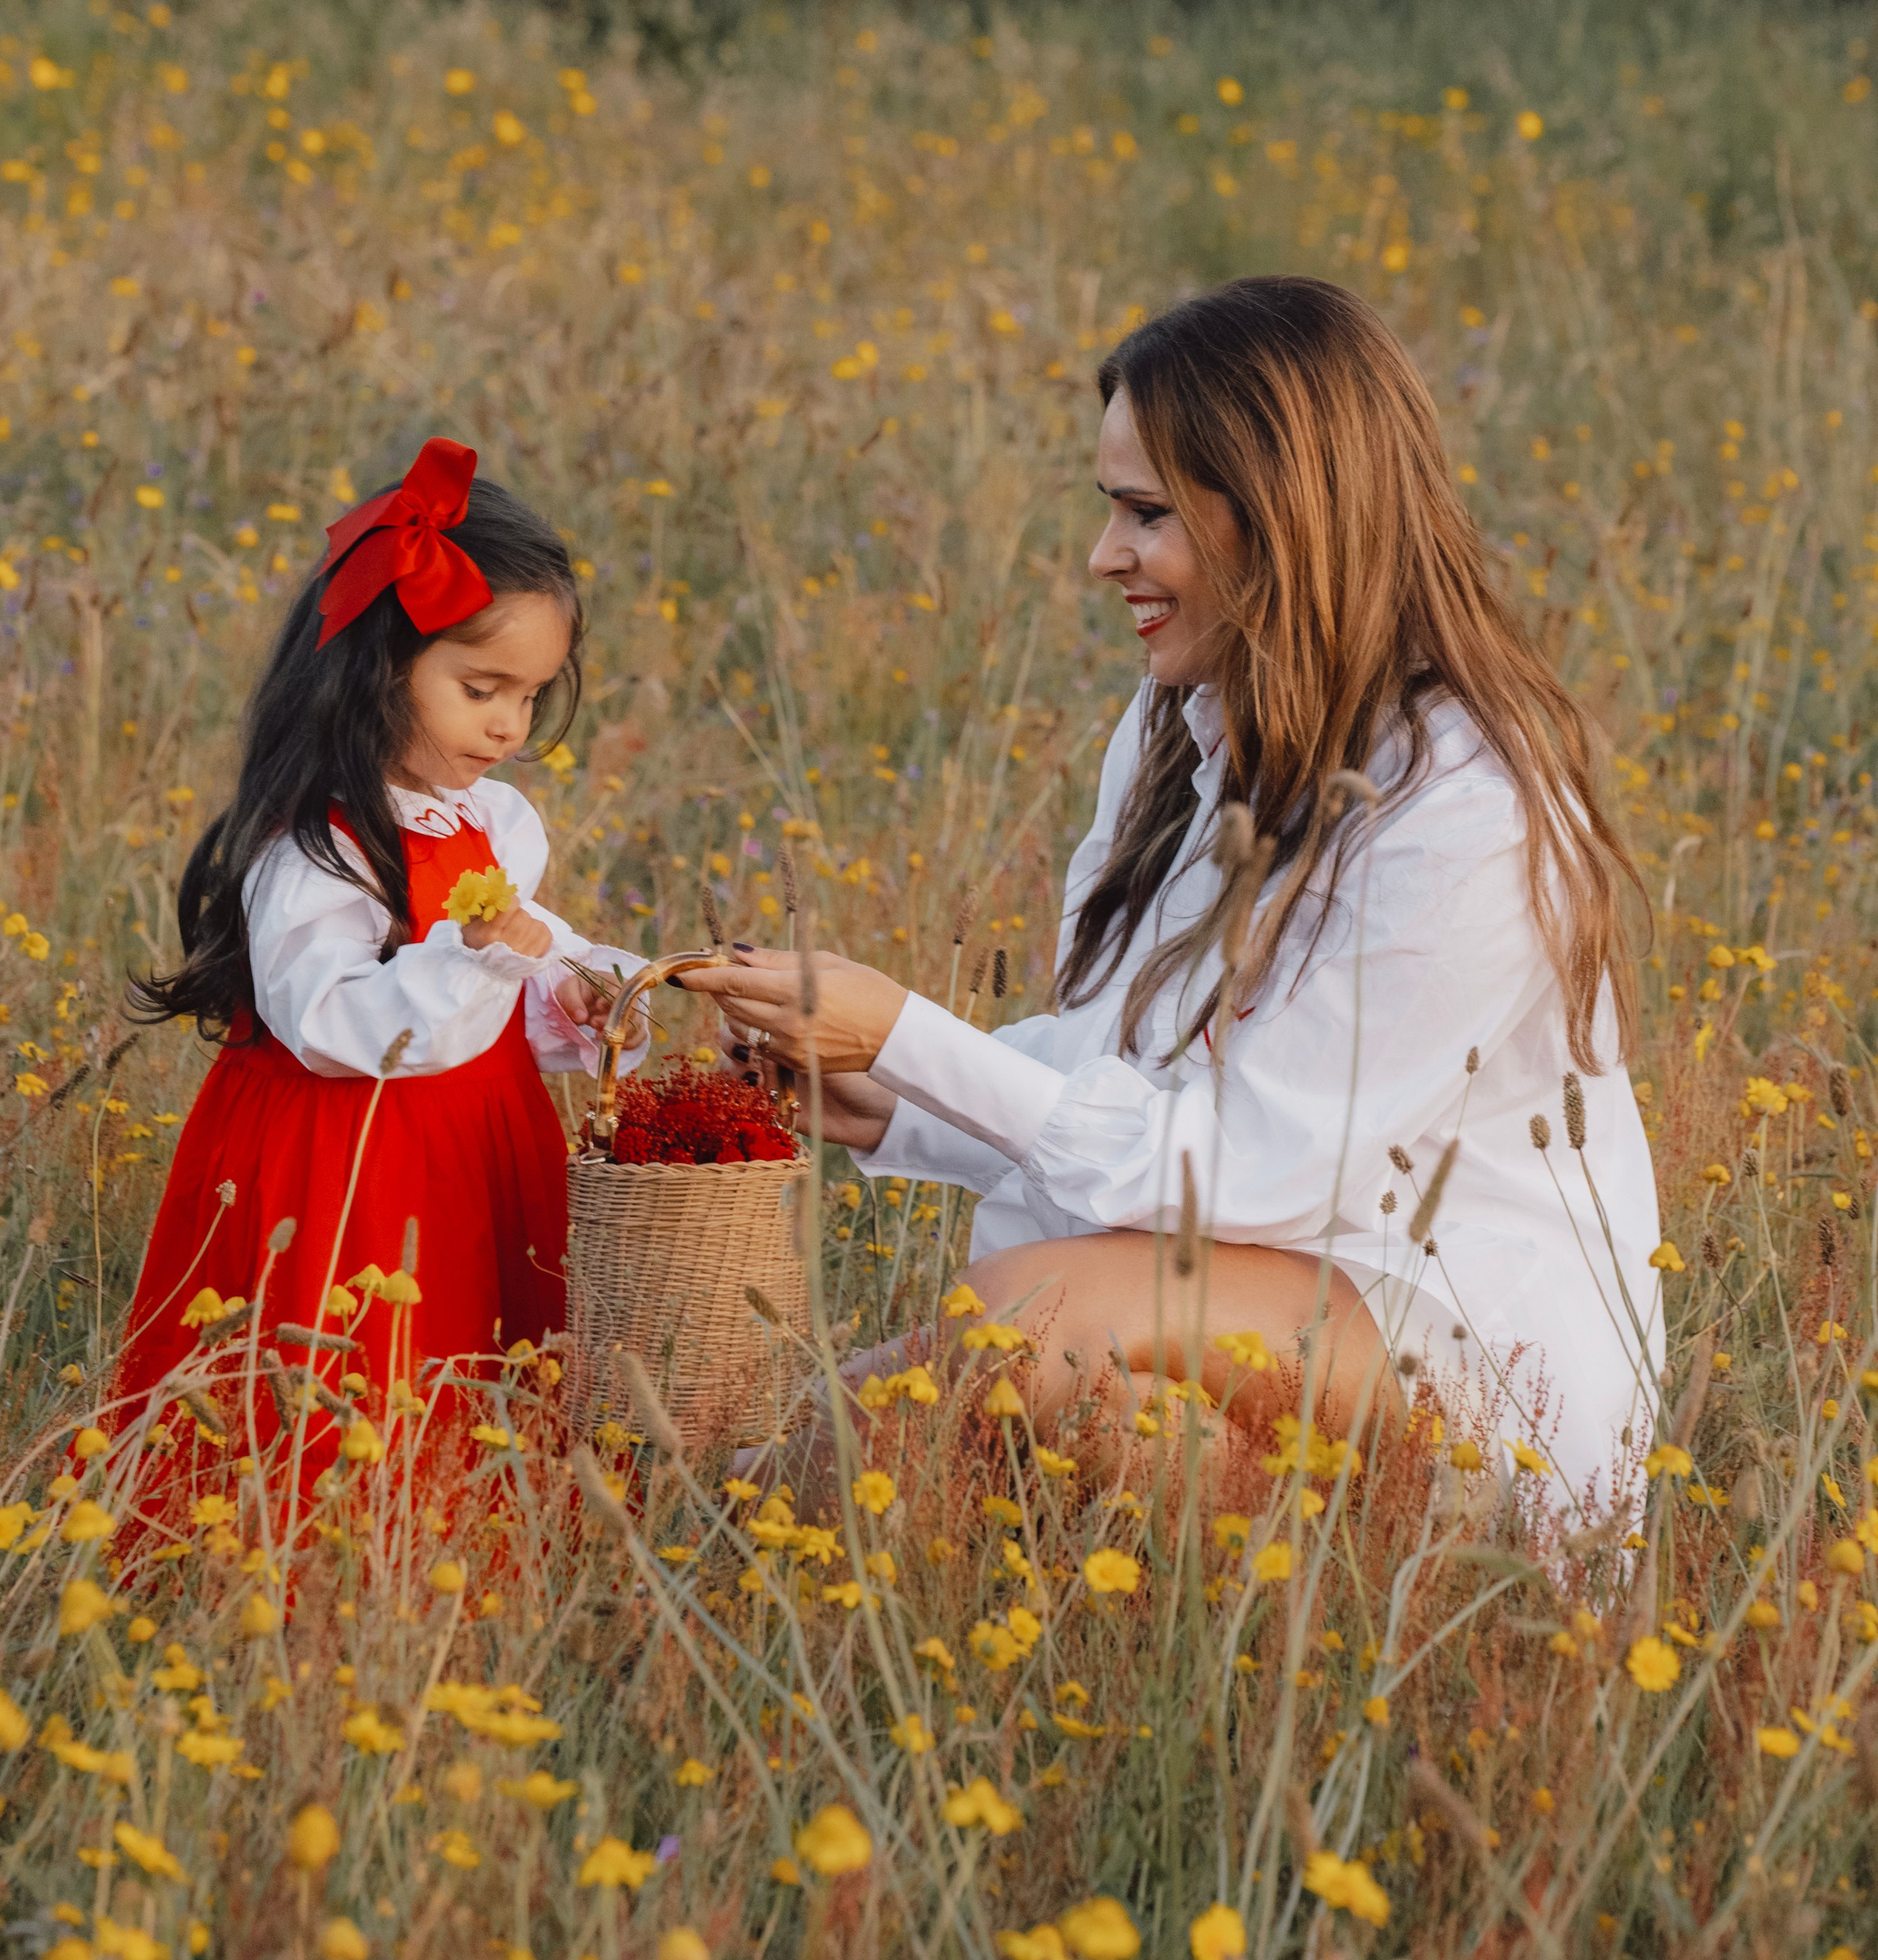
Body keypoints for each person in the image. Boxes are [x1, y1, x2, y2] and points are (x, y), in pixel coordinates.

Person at [689, 278, 1663, 1508]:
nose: (1105, 557)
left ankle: (712, 1512)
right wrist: (892, 1100)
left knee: (1033, 1317)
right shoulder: (1178, 723)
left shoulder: (1471, 807)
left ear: (1286, 518)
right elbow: (1127, 1059)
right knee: (1089, 1424)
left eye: (1145, 514)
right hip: (1255, 1303)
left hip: (1457, 1340)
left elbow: (1252, 1173)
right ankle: (1353, 1597)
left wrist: (908, 1035)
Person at [118, 437, 646, 1497]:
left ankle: (469, 1549)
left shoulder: (487, 819)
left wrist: (578, 986)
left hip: (477, 1135)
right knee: (358, 1368)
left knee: (483, 1347)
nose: (509, 725)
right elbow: (327, 1020)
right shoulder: (318, 847)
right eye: (481, 688)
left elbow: (523, 947)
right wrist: (477, 962)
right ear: (375, 670)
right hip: (348, 1156)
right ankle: (325, 1553)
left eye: (532, 696)